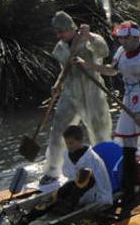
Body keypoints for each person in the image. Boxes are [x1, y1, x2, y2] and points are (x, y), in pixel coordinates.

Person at [75, 21, 140, 210]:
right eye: (121, 38)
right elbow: (111, 70)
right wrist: (87, 65)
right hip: (129, 103)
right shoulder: (120, 53)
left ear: (136, 37)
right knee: (128, 152)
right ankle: (129, 196)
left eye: (126, 38)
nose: (123, 42)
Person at [41, 12, 113, 185]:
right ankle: (52, 171)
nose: (59, 36)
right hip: (70, 93)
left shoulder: (88, 40)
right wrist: (58, 84)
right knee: (58, 129)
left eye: (62, 32)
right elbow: (63, 69)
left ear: (71, 29)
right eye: (57, 33)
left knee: (99, 130)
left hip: (92, 91)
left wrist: (89, 36)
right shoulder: (60, 47)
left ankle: (106, 168)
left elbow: (104, 51)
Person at [5, 124, 113, 225]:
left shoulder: (91, 159)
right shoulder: (67, 154)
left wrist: (66, 199)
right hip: (77, 186)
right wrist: (60, 194)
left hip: (96, 193)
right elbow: (68, 176)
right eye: (66, 143)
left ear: (80, 141)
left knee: (76, 182)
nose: (68, 146)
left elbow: (87, 184)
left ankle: (70, 211)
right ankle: (26, 220)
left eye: (71, 143)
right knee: (56, 195)